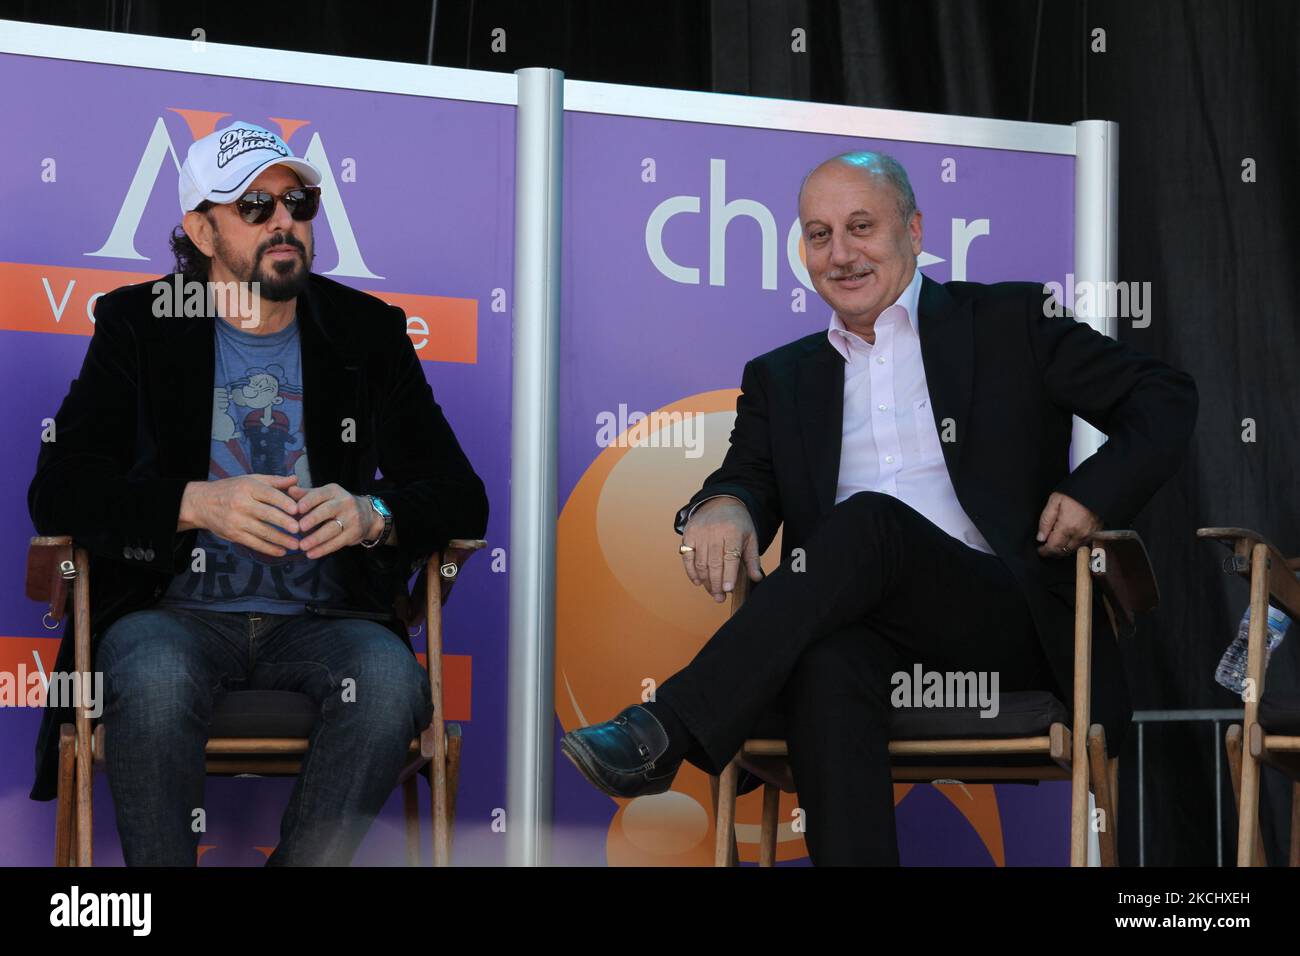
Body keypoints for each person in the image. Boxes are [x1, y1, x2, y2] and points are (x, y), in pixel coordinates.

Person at [561, 150, 1198, 865]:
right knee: (827, 665)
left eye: (861, 227)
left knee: (870, 521)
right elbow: (745, 479)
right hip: (863, 639)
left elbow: (1164, 398)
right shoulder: (781, 378)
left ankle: (667, 726)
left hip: (1004, 627)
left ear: (914, 230)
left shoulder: (1011, 319)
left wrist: (1093, 494)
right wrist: (723, 504)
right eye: (819, 235)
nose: (841, 254)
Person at [27, 120, 488, 865]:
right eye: (254, 206)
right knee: (153, 675)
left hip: (325, 620)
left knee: (386, 681)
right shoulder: (139, 324)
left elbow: (461, 496)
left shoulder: (365, 332)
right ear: (201, 230)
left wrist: (373, 514)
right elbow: (60, 491)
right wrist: (193, 503)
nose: (284, 222)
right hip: (169, 617)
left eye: (298, 203)